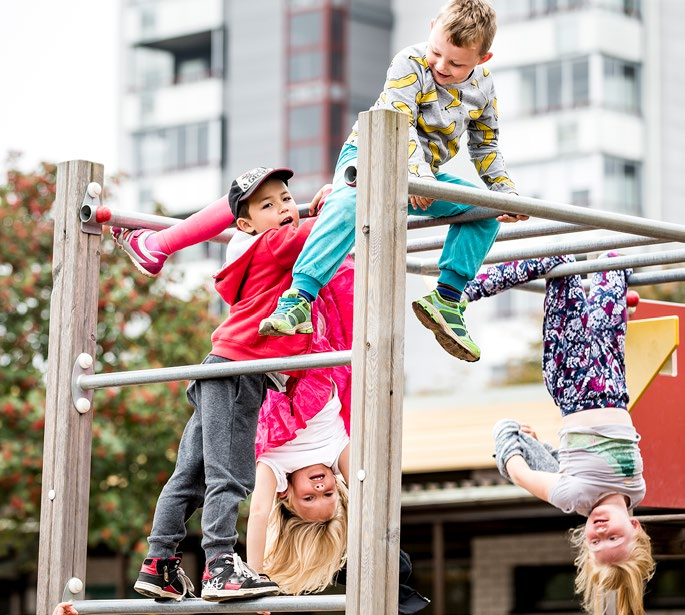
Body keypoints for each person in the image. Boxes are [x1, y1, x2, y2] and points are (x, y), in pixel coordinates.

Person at [258, 0, 527, 363]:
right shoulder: (410, 62)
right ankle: (299, 298)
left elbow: (486, 145)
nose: (441, 67)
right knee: (349, 201)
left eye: (456, 63)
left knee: (485, 211)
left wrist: (503, 193)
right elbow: (400, 120)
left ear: (483, 59)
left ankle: (446, 298)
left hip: (423, 177)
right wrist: (415, 178)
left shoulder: (484, 88)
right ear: (431, 28)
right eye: (437, 52)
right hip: (370, 157)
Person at [119, 167, 335, 603]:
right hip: (240, 372)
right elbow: (327, 231)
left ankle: (159, 563)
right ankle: (219, 563)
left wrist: (309, 210)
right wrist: (331, 204)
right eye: (268, 206)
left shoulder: (244, 250)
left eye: (288, 199)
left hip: (219, 367)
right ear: (245, 224)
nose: (284, 210)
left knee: (190, 475)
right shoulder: (274, 244)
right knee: (229, 474)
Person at [462, 254, 655, 615]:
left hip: (573, 378)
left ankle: (466, 289)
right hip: (613, 380)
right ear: (634, 526)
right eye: (614, 537)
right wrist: (539, 445)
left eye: (597, 542)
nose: (600, 532)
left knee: (559, 260)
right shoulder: (636, 490)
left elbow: (520, 473)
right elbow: (568, 461)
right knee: (613, 260)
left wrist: (511, 438)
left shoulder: (574, 498)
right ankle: (619, 282)